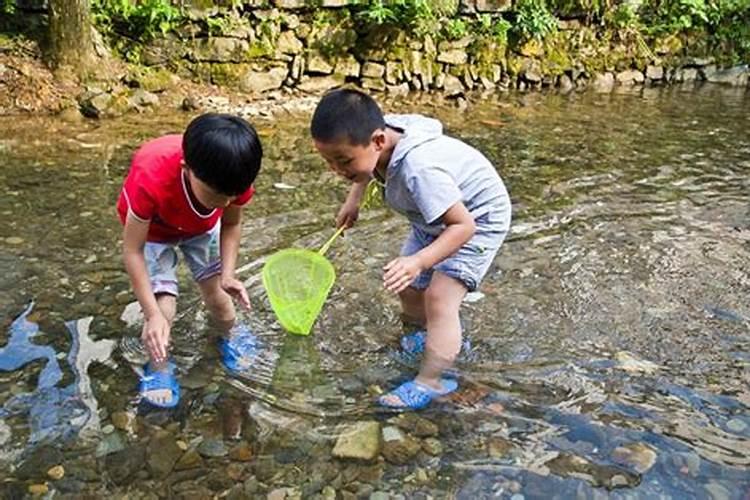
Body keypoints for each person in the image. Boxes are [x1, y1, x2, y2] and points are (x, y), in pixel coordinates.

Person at [310, 88, 511, 410]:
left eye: (343, 161)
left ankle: (431, 380)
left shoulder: (420, 170)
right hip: (431, 217)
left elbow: (464, 226)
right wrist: (354, 199)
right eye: (329, 161)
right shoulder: (382, 134)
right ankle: (426, 339)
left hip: (476, 218)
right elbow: (364, 168)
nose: (337, 170)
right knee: (410, 289)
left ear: (377, 141)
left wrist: (419, 261)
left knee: (439, 298)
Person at [117, 113, 263, 408]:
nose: (224, 203)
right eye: (216, 195)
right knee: (164, 309)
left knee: (220, 296)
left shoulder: (233, 178)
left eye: (231, 197)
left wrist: (229, 274)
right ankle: (157, 368)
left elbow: (231, 225)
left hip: (201, 228)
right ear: (186, 169)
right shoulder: (151, 178)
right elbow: (133, 250)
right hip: (154, 233)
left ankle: (231, 337)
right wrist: (152, 313)